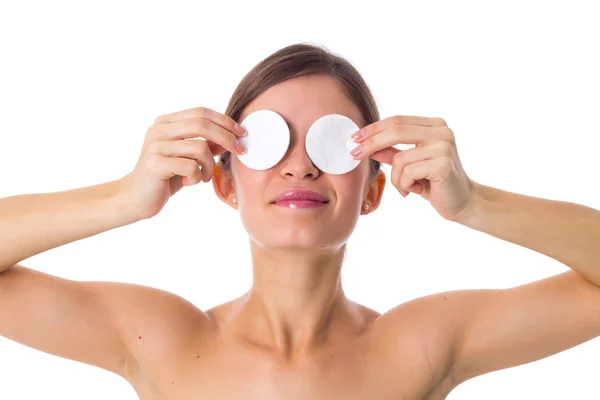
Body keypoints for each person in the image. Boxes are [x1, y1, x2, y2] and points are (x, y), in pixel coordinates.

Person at [1, 43, 599, 400]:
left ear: (371, 191)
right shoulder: (161, 339)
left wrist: (474, 203)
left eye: (332, 144)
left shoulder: (419, 342)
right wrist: (124, 199)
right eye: (269, 141)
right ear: (225, 182)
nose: (301, 167)